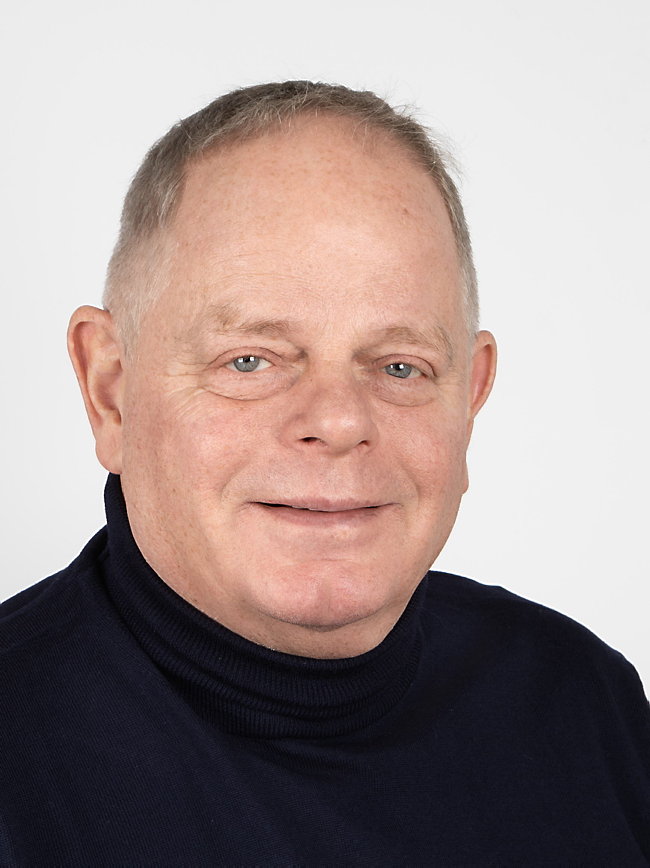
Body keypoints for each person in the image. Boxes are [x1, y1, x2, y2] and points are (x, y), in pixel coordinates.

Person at [1, 81, 648, 865]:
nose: (340, 421)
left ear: (470, 397)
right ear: (110, 390)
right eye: (250, 360)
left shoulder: (586, 703)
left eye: (401, 366)